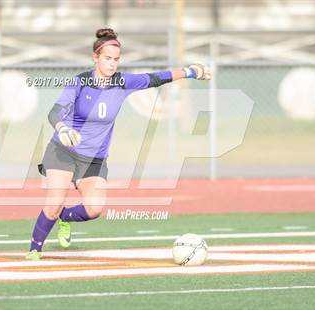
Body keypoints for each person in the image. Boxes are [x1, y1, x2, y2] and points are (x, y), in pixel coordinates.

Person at [26, 28, 211, 260]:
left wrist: (189, 72)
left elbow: (156, 78)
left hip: (94, 158)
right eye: (107, 59)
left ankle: (64, 218)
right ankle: (35, 250)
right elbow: (55, 112)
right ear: (95, 57)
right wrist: (62, 128)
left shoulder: (123, 82)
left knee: (94, 209)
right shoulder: (79, 83)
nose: (112, 64)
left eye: (116, 59)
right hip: (63, 151)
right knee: (53, 202)